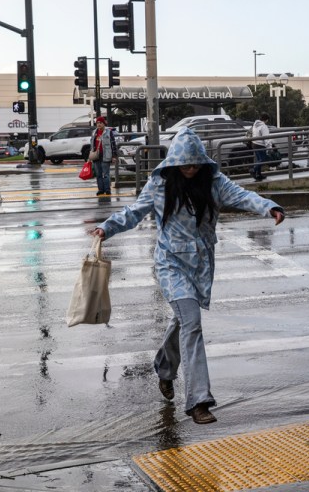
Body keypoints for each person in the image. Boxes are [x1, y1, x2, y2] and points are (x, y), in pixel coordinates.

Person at [90, 127, 285, 424]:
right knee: (192, 323)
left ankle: (164, 368)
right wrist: (107, 227)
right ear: (174, 163)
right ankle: (198, 401)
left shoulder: (214, 182)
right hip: (171, 265)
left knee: (183, 321)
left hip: (201, 265)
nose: (190, 169)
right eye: (185, 164)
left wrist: (268, 206)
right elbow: (133, 212)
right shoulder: (160, 184)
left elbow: (241, 195)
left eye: (194, 164)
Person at [90, 116, 118, 196]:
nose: (98, 124)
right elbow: (91, 144)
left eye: (100, 123)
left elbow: (113, 144)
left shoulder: (108, 132)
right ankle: (100, 190)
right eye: (97, 123)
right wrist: (90, 156)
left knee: (106, 174)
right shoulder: (94, 132)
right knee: (98, 174)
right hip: (96, 155)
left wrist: (114, 156)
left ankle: (107, 190)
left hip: (106, 155)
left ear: (104, 123)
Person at [251, 113, 272, 181]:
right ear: (266, 120)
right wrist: (269, 147)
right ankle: (253, 170)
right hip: (260, 145)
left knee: (259, 159)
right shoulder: (264, 126)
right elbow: (266, 138)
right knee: (262, 159)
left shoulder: (255, 125)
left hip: (254, 143)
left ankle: (259, 174)